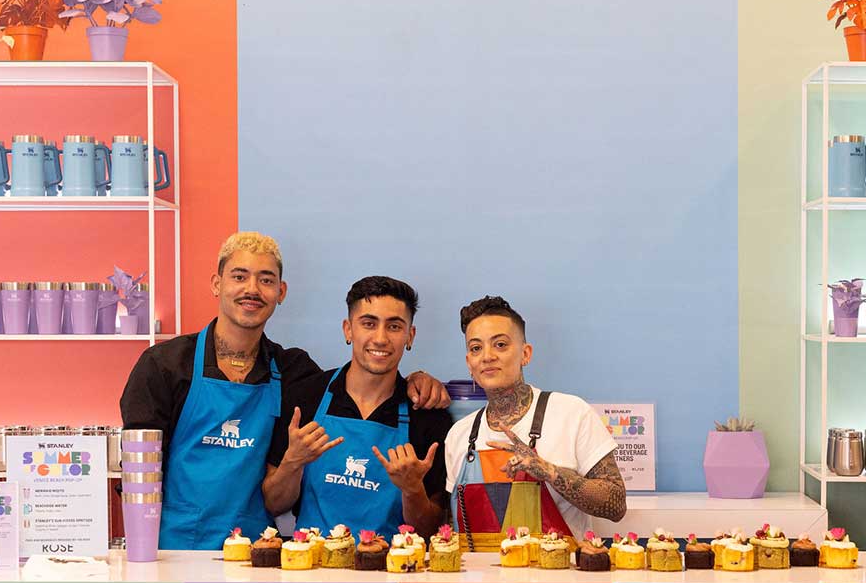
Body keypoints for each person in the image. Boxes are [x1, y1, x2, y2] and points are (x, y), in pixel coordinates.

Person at [119, 233, 448, 549]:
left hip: (256, 548)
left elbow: (365, 379)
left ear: (281, 291)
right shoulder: (164, 366)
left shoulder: (293, 372)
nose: (252, 289)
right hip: (173, 547)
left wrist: (415, 380)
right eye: (239, 276)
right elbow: (140, 471)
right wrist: (143, 550)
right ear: (216, 284)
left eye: (265, 279)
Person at [263, 276, 451, 538]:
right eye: (369, 324)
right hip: (309, 568)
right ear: (348, 330)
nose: (381, 338)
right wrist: (292, 463)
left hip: (394, 571)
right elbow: (273, 504)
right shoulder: (305, 397)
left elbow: (431, 531)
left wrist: (412, 490)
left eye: (394, 326)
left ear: (410, 335)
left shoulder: (428, 417)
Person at [445, 295, 626, 545]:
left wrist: (549, 472)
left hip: (558, 578)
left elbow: (615, 505)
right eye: (476, 348)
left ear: (525, 354)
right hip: (480, 581)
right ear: (469, 363)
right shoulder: (459, 435)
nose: (487, 356)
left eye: (500, 344)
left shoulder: (571, 413)